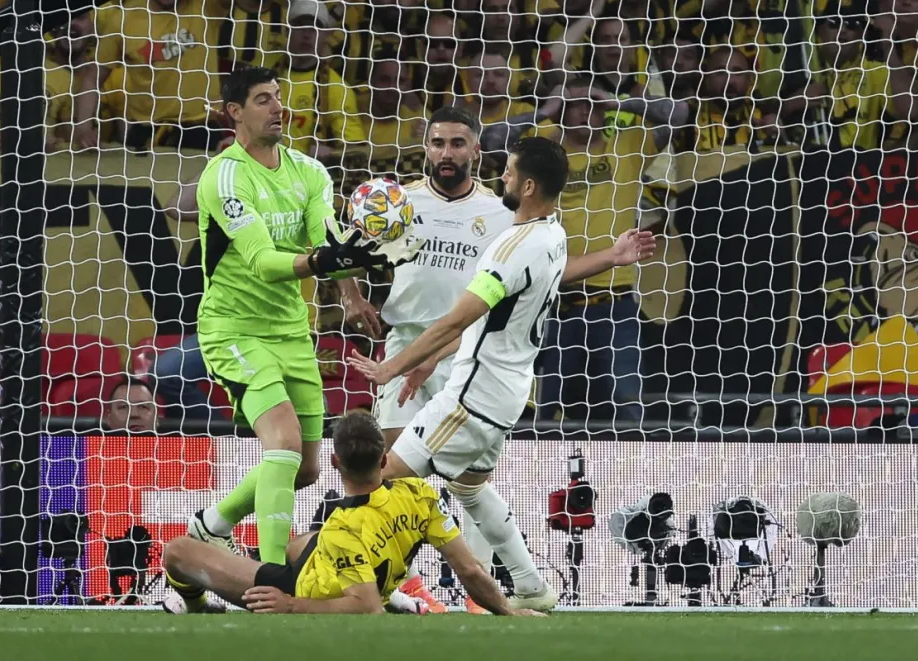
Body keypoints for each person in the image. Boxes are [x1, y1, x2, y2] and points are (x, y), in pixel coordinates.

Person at [348, 137, 656, 611]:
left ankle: (382, 588)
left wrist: (392, 366)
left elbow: (458, 318)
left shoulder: (509, 249)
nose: (503, 177)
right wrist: (429, 362)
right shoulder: (553, 235)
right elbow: (489, 321)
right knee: (469, 489)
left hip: (472, 397)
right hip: (509, 392)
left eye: (509, 172)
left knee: (383, 479)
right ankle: (532, 585)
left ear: (528, 186)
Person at [186, 66, 418, 567]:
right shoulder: (224, 177)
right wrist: (324, 261)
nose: (279, 108)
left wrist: (358, 274)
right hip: (234, 330)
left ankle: (212, 525)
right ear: (234, 112)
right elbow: (263, 263)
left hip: (293, 331)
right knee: (284, 445)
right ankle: (271, 575)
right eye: (263, 100)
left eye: (278, 97)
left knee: (308, 469)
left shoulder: (310, 172)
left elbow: (326, 240)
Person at [339, 104, 516, 614]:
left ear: (476, 150)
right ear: (426, 148)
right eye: (438, 143)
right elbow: (336, 241)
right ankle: (407, 587)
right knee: (391, 471)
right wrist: (352, 296)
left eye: (457, 143)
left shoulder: (501, 214)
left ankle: (478, 596)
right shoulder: (398, 202)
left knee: (469, 478)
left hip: (468, 351)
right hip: (405, 343)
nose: (446, 153)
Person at [161, 412, 541, 617]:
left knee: (178, 551)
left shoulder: (341, 527)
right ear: (384, 459)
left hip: (301, 588)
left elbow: (366, 607)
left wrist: (290, 605)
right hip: (333, 558)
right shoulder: (421, 494)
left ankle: (194, 603)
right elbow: (470, 569)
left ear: (334, 462)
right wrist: (507, 611)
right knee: (301, 544)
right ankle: (397, 595)